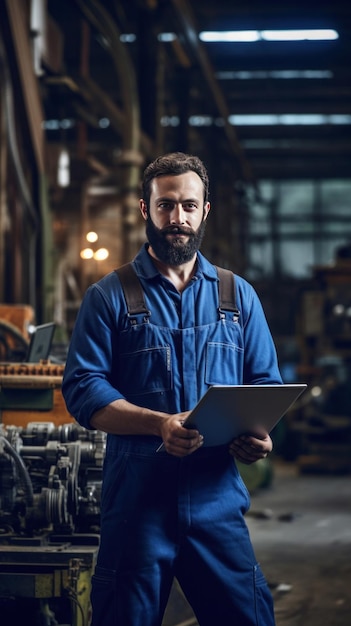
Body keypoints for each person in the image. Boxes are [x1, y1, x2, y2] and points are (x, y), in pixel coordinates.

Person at [62, 152, 282, 626]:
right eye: (165, 206)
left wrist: (259, 436)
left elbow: (266, 383)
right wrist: (158, 423)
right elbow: (82, 387)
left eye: (187, 206)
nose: (176, 219)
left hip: (216, 501)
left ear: (205, 210)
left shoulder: (237, 297)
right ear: (145, 209)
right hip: (138, 505)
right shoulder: (110, 296)